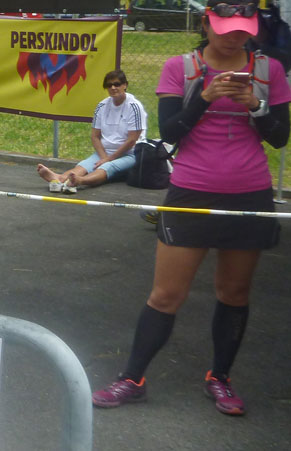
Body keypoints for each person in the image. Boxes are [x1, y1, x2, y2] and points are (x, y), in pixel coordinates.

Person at [92, 0, 291, 416]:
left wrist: (255, 105)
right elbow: (170, 132)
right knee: (166, 294)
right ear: (206, 23)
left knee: (234, 293)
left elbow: (278, 138)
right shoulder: (180, 67)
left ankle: (220, 378)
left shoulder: (268, 69)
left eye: (243, 30)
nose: (234, 37)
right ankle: (132, 378)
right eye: (225, 29)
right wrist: (205, 97)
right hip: (191, 192)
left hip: (250, 193)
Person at [36, 70, 147, 194]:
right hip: (104, 152)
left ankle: (79, 181)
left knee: (107, 167)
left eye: (117, 84)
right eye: (109, 85)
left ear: (125, 85)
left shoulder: (134, 107)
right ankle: (60, 178)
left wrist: (109, 159)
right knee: (84, 166)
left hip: (129, 154)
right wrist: (104, 157)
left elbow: (132, 140)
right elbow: (95, 136)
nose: (113, 88)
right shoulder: (102, 106)